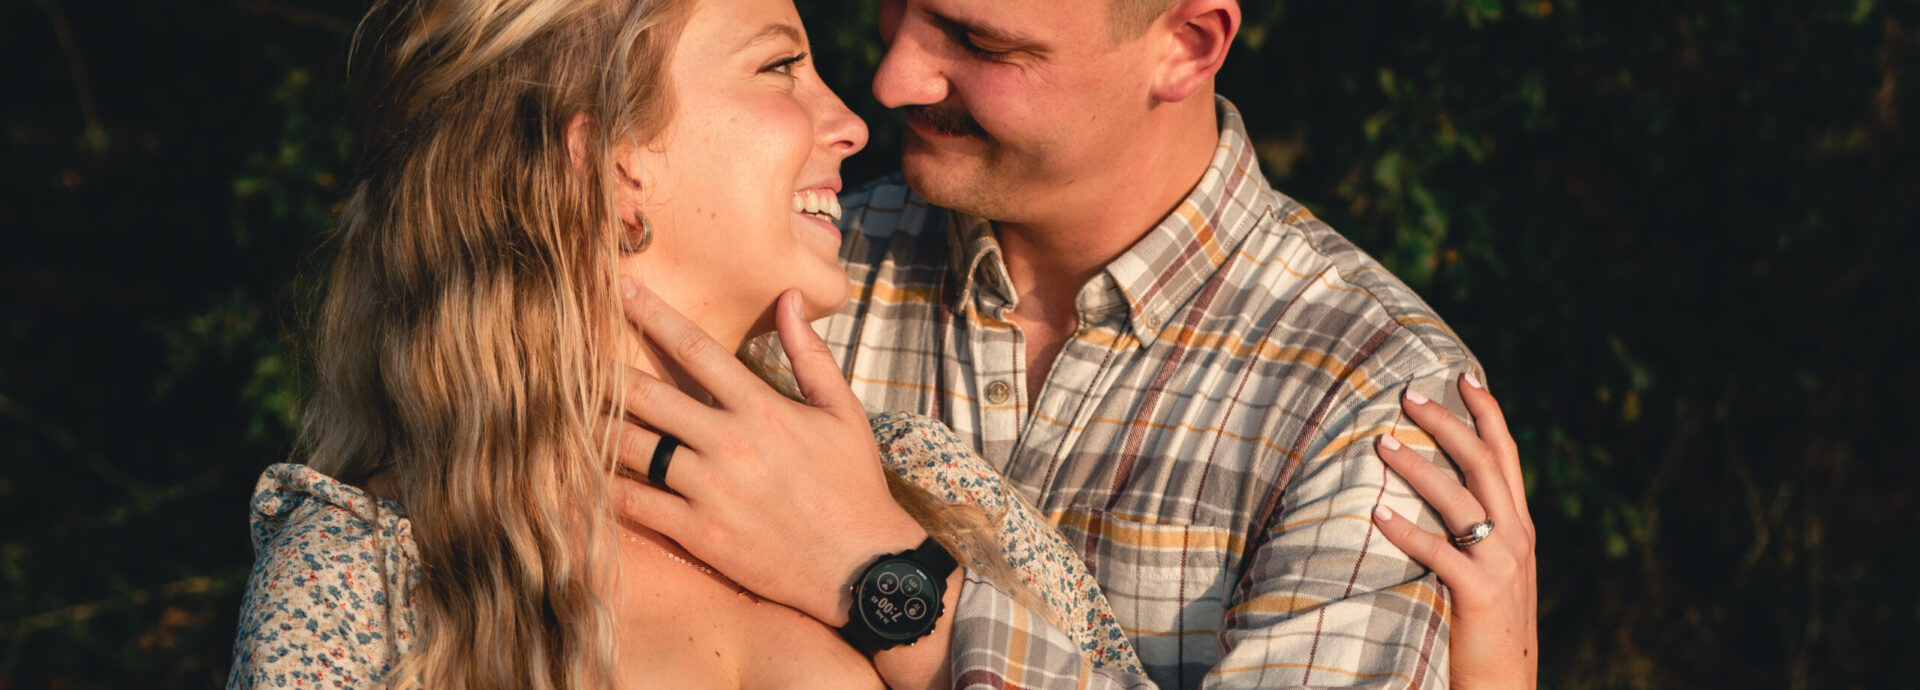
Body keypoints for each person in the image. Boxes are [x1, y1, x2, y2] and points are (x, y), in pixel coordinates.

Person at [607, 0, 1539, 688]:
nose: (893, 80)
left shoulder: (1368, 400)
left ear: (1187, 44)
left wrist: (880, 577)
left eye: (979, 42)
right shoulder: (778, 255)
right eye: (900, 6)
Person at [228, 0, 1145, 686]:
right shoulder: (365, 572)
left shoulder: (922, 488)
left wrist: (885, 571)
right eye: (780, 68)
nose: (852, 125)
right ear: (609, 163)